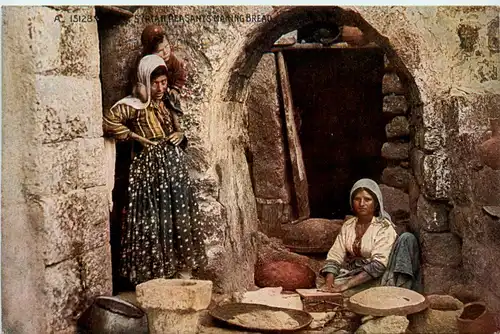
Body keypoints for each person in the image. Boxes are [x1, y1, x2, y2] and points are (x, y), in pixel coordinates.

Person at [104, 54, 206, 286]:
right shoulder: (134, 105)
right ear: (143, 82)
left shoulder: (167, 102)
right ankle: (155, 275)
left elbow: (178, 129)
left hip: (174, 168)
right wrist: (132, 136)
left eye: (163, 82)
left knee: (176, 217)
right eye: (155, 83)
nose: (160, 88)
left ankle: (181, 270)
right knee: (153, 219)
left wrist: (180, 135)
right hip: (149, 171)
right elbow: (108, 122)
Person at [319, 178, 421, 296]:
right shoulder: (348, 225)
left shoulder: (383, 226)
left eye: (367, 199)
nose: (362, 204)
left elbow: (379, 266)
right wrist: (329, 283)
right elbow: (335, 256)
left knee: (346, 291)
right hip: (357, 273)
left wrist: (344, 286)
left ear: (376, 203)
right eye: (357, 199)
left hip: (378, 274)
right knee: (323, 282)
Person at [129, 24, 187, 112]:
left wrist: (175, 88)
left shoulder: (171, 59)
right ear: (150, 52)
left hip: (164, 91)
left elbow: (179, 73)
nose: (166, 52)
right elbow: (135, 80)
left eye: (167, 46)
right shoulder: (143, 63)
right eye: (160, 51)